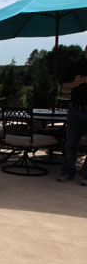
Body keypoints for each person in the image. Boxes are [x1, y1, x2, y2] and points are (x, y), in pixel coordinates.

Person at [58, 45, 87, 186]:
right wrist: (75, 83)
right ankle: (68, 171)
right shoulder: (76, 66)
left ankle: (86, 174)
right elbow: (64, 85)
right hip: (75, 109)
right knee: (71, 143)